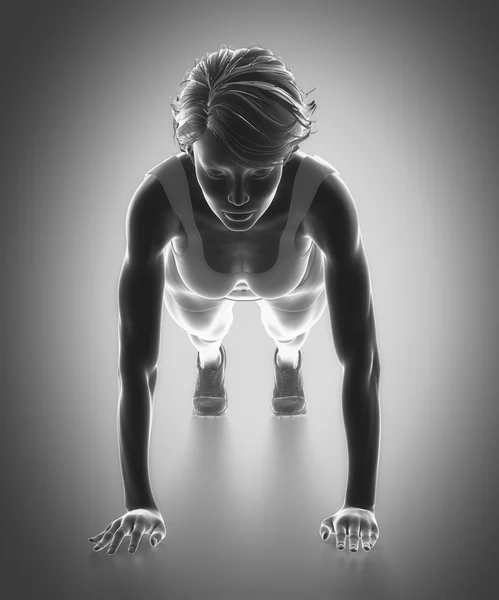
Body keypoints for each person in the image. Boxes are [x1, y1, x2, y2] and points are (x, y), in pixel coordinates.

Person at [88, 45, 380, 556]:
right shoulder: (157, 200)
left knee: (290, 327)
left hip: (290, 282)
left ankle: (287, 359)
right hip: (197, 283)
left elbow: (361, 356)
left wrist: (360, 502)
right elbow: (137, 361)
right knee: (204, 325)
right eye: (216, 175)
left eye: (261, 175)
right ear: (190, 153)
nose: (239, 200)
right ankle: (209, 358)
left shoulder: (324, 196)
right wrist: (140, 500)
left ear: (285, 156)